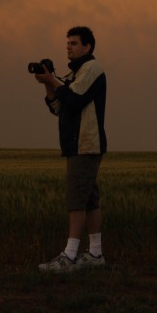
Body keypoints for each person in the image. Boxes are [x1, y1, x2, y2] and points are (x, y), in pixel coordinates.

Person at [34, 26, 107, 272]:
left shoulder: (91, 69)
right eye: (67, 43)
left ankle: (70, 255)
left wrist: (53, 79)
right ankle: (95, 254)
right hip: (79, 144)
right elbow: (58, 108)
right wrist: (48, 83)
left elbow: (75, 99)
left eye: (74, 43)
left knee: (76, 199)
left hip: (85, 144)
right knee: (89, 200)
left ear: (88, 47)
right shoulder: (76, 73)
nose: (68, 47)